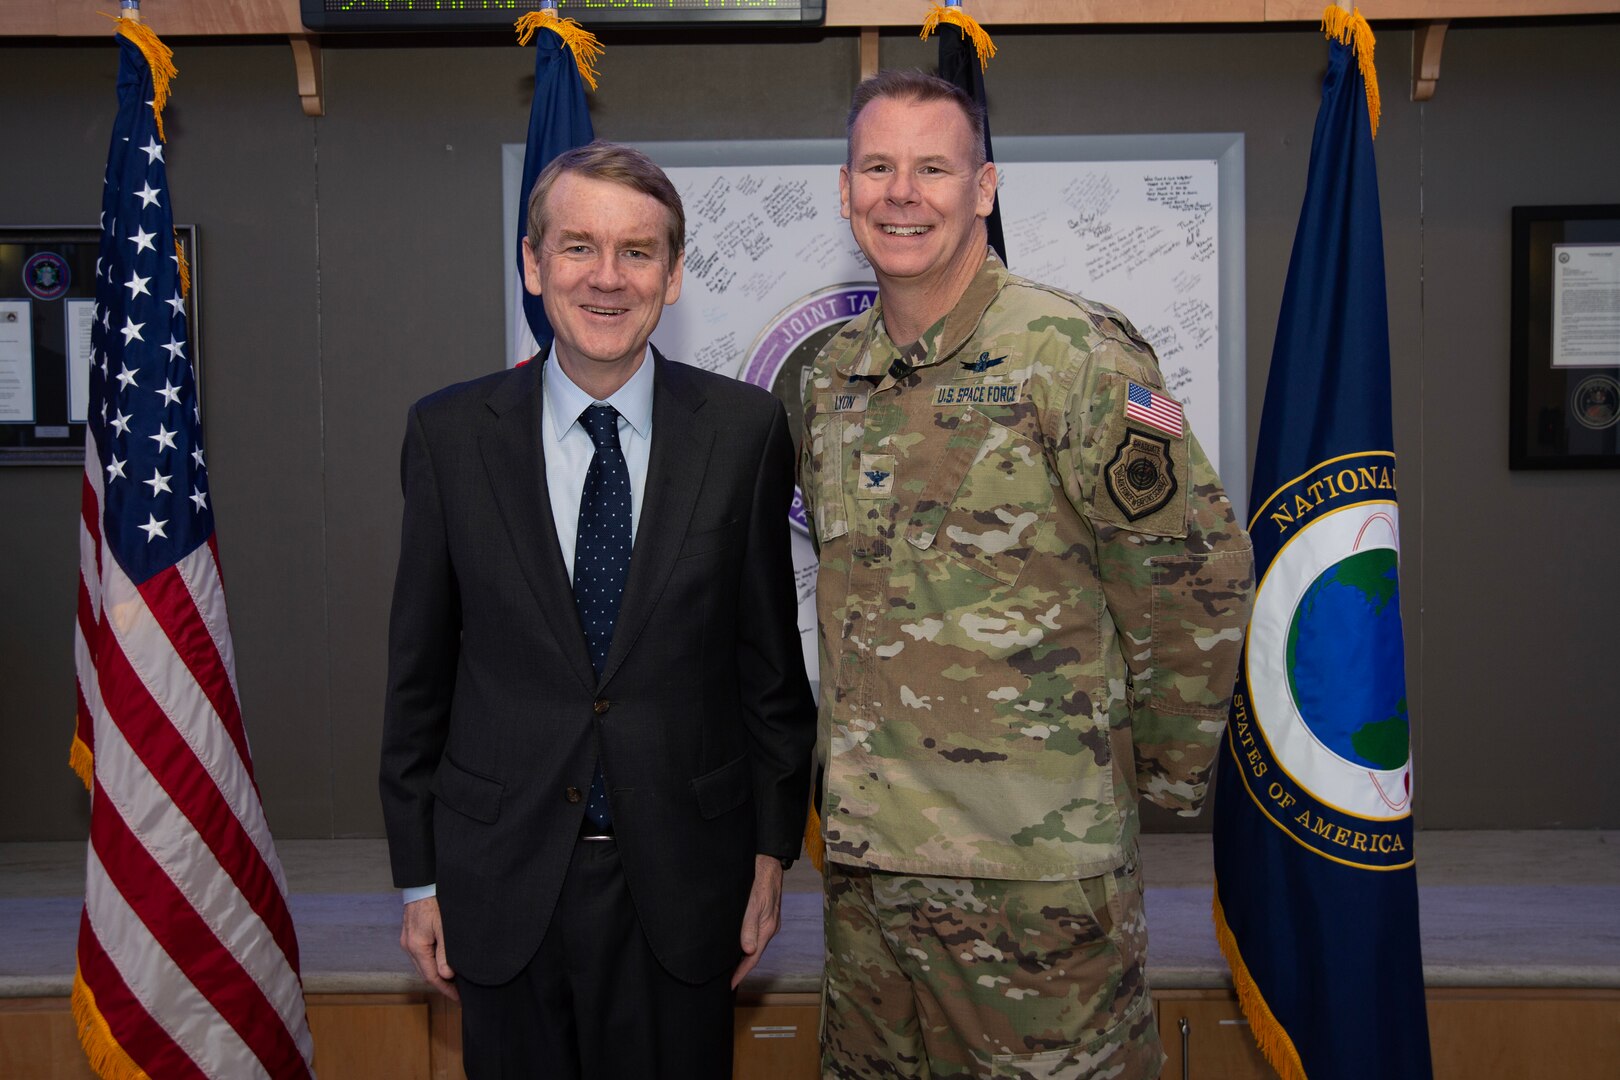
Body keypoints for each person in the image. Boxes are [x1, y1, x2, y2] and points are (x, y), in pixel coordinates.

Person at [800, 71, 1255, 1078]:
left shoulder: (1084, 354)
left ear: (986, 187)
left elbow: (1196, 570)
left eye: (933, 167)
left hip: (1035, 880)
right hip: (872, 879)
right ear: (844, 192)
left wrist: (1154, 779)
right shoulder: (831, 375)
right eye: (877, 167)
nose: (902, 193)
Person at [380, 141, 815, 1079]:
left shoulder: (744, 434)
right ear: (534, 266)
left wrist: (773, 853)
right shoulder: (449, 435)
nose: (607, 278)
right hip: (500, 883)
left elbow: (770, 672)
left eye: (637, 252)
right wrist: (419, 875)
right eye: (578, 248)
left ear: (674, 272)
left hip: (687, 886)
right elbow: (419, 677)